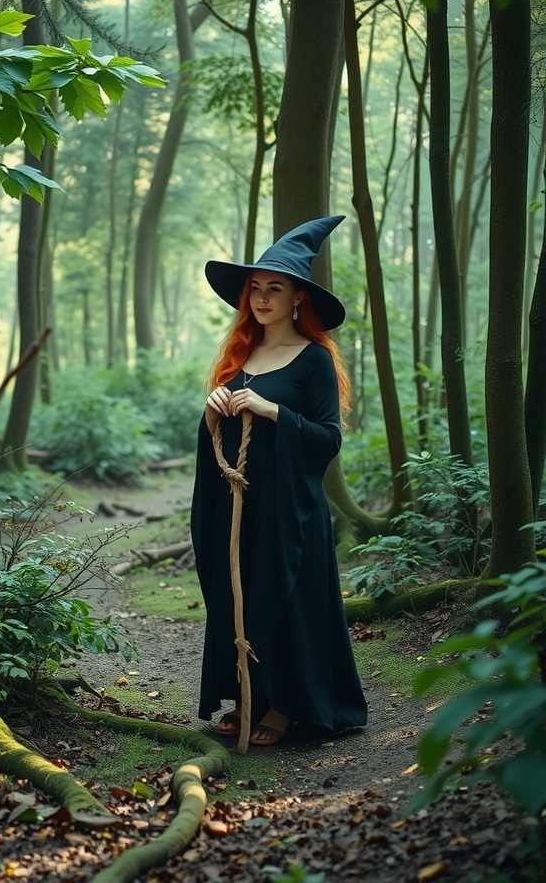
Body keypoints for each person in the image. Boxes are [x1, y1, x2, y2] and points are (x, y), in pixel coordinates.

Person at [190, 215, 367, 746]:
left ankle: (287, 707)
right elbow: (214, 439)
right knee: (242, 593)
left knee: (285, 600)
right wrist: (212, 413)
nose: (263, 297)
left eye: (276, 288)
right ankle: (249, 697)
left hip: (292, 508)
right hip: (239, 505)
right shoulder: (241, 356)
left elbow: (328, 440)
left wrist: (272, 411)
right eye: (256, 288)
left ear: (297, 299)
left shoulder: (314, 359)